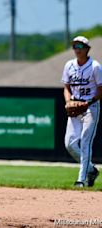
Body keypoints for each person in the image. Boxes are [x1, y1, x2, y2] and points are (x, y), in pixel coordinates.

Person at [62, 36, 101, 188]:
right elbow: (66, 87)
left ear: (87, 49)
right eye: (75, 46)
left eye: (80, 46)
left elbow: (100, 90)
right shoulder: (69, 65)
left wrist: (88, 102)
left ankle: (81, 180)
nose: (77, 49)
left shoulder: (95, 66)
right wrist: (68, 102)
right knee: (69, 144)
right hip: (75, 107)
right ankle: (91, 170)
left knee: (85, 142)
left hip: (91, 107)